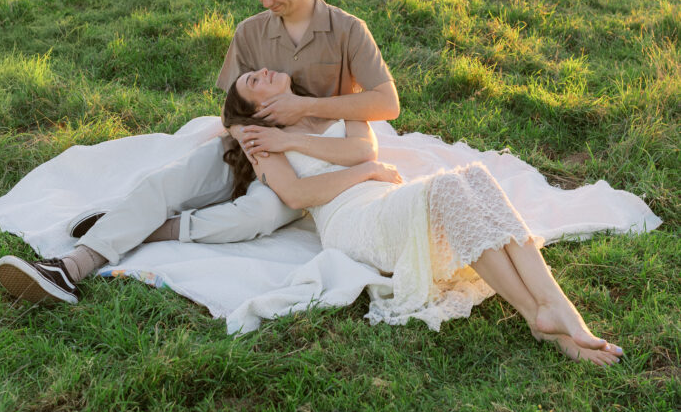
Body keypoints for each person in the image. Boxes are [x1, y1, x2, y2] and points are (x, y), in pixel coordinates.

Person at [0, 0, 399, 306]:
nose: (266, 3)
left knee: (257, 216)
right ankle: (69, 267)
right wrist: (254, 146)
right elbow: (231, 108)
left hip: (311, 154)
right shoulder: (250, 32)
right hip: (251, 142)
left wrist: (304, 109)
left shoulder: (348, 30)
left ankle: (142, 227)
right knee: (168, 182)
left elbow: (386, 103)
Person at [222, 67, 626, 367]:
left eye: (255, 73)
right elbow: (296, 195)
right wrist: (362, 172)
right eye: (252, 83)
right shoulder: (261, 143)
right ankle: (539, 313)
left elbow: (365, 152)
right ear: (257, 111)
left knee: (475, 178)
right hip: (352, 223)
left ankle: (552, 308)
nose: (261, 72)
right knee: (451, 187)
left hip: (386, 200)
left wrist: (293, 138)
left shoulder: (338, 108)